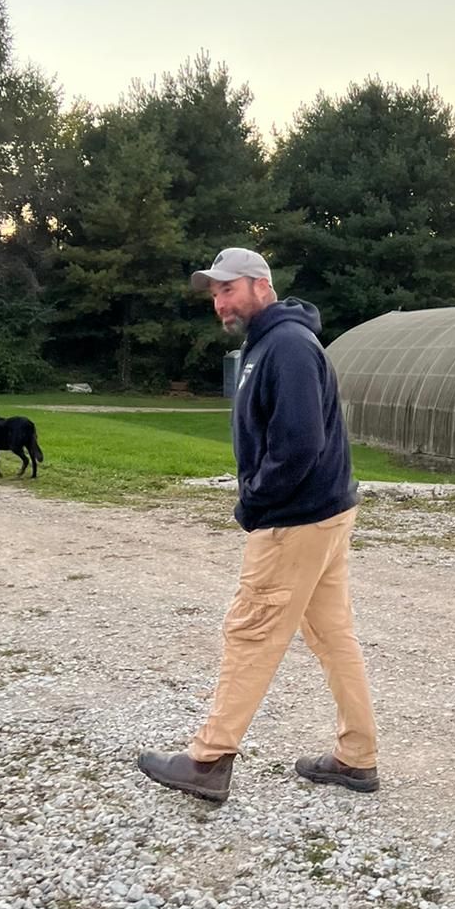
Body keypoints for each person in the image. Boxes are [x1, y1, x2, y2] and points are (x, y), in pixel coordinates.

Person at [139, 247, 379, 804]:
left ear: (260, 286)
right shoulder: (269, 343)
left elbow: (298, 445)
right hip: (323, 515)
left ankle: (208, 760)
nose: (220, 301)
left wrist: (256, 504)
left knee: (249, 634)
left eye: (228, 289)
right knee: (332, 636)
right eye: (215, 293)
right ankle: (357, 757)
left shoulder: (288, 346)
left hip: (294, 521)